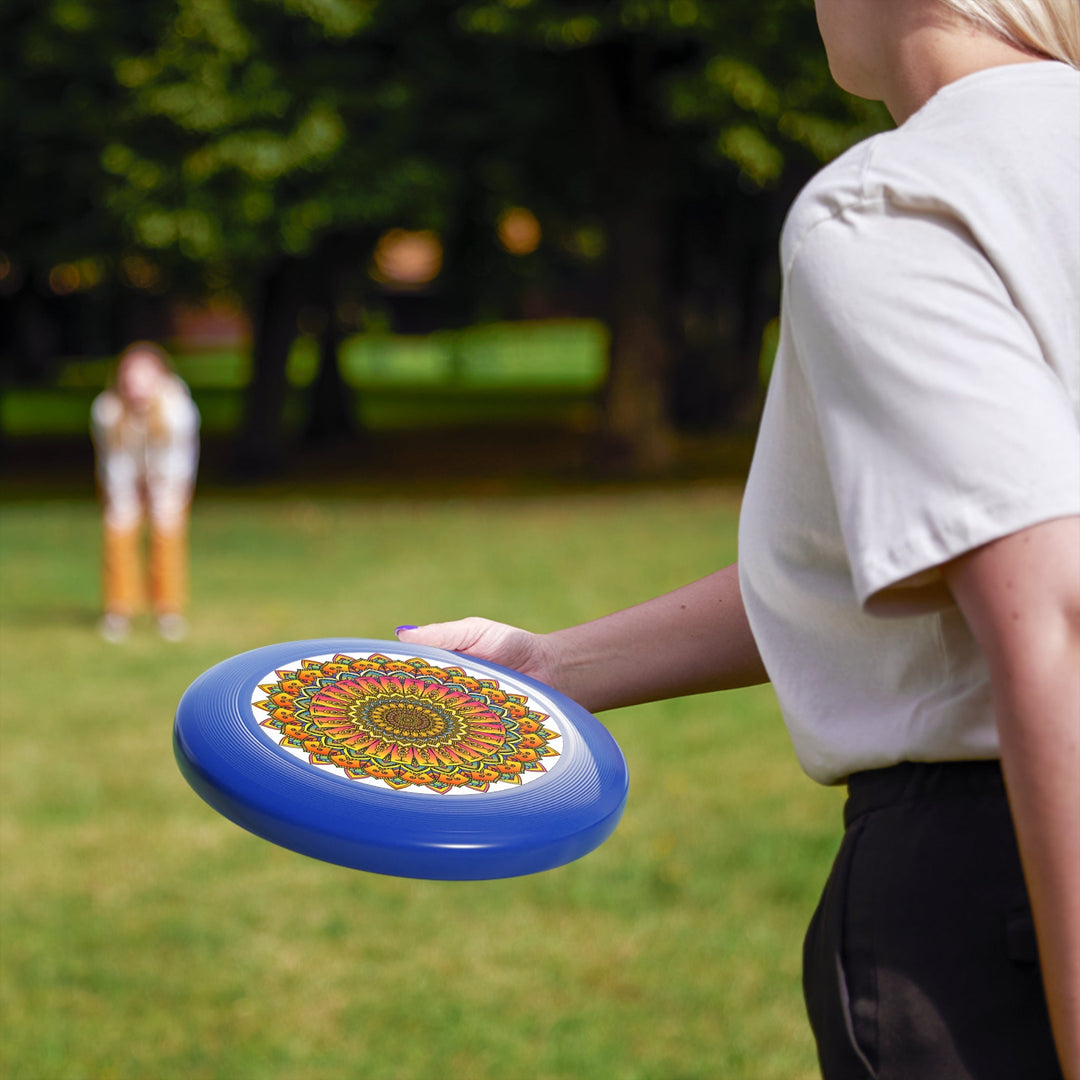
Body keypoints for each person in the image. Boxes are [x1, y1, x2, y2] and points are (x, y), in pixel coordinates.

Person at [395, 1, 1080, 1076]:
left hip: (1004, 889)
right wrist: (553, 667)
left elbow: (1054, 614)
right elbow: (910, 555)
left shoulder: (900, 202)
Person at [91, 341, 200, 642]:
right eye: (130, 376)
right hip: (123, 478)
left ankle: (168, 611)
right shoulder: (107, 410)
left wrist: (160, 492)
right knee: (118, 531)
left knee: (167, 535)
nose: (136, 385)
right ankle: (118, 610)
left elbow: (177, 460)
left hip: (168, 479)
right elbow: (114, 460)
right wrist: (126, 495)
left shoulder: (178, 410)